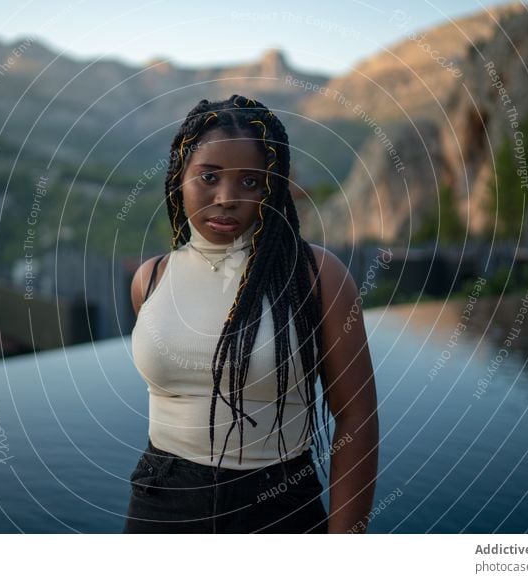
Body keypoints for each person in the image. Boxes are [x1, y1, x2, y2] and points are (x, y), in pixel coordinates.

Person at [124, 94, 378, 534]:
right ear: (177, 180)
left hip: (276, 505)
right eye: (208, 177)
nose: (226, 198)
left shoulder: (315, 276)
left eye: (250, 182)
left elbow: (356, 416)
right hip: (160, 503)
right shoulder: (151, 279)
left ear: (273, 187)